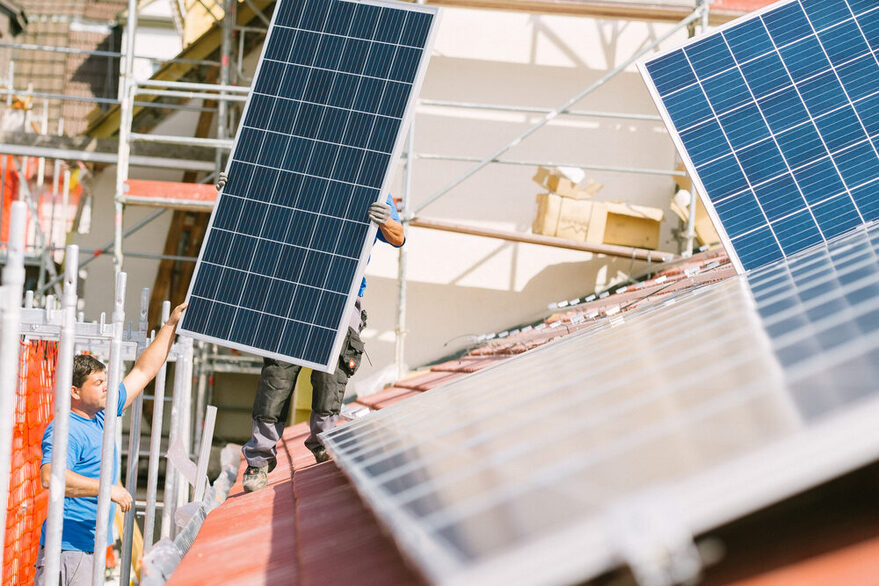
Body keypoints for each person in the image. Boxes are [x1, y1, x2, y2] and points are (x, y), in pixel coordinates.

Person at [213, 172, 405, 492]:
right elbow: (255, 208)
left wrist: (386, 219)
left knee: (331, 375)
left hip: (343, 296)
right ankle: (259, 459)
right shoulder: (297, 171)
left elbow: (398, 237)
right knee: (277, 375)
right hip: (292, 290)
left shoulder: (374, 179)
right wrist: (235, 188)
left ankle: (324, 444)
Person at [34, 303, 187, 586]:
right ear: (75, 392)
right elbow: (50, 477)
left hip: (86, 548)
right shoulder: (67, 429)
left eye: (106, 380)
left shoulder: (101, 415)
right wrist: (108, 489)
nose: (106, 386)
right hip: (70, 550)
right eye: (98, 382)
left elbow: (144, 371)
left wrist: (170, 326)